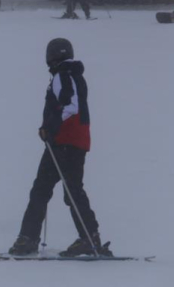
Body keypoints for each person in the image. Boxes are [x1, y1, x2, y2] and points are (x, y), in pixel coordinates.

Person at [8, 39, 111, 258]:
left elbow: (70, 106)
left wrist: (49, 128)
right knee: (70, 190)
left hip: (64, 142)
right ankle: (89, 237)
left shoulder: (62, 75)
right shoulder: (73, 75)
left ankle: (28, 238)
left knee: (44, 190)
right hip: (75, 141)